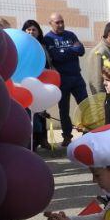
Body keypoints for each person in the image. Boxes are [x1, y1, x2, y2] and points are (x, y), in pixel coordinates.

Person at [44, 13, 87, 147]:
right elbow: (56, 57)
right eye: (57, 22)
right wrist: (70, 50)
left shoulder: (70, 34)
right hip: (61, 79)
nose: (61, 24)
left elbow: (81, 50)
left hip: (77, 77)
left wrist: (65, 51)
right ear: (50, 23)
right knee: (64, 109)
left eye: (62, 22)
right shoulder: (48, 39)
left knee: (86, 106)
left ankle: (88, 133)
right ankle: (67, 136)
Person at [23, 19, 53, 151]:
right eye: (28, 29)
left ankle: (43, 139)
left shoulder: (42, 46)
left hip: (42, 82)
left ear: (38, 32)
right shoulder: (22, 45)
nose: (31, 32)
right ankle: (32, 141)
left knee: (42, 111)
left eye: (33, 29)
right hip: (26, 83)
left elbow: (48, 63)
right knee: (29, 113)